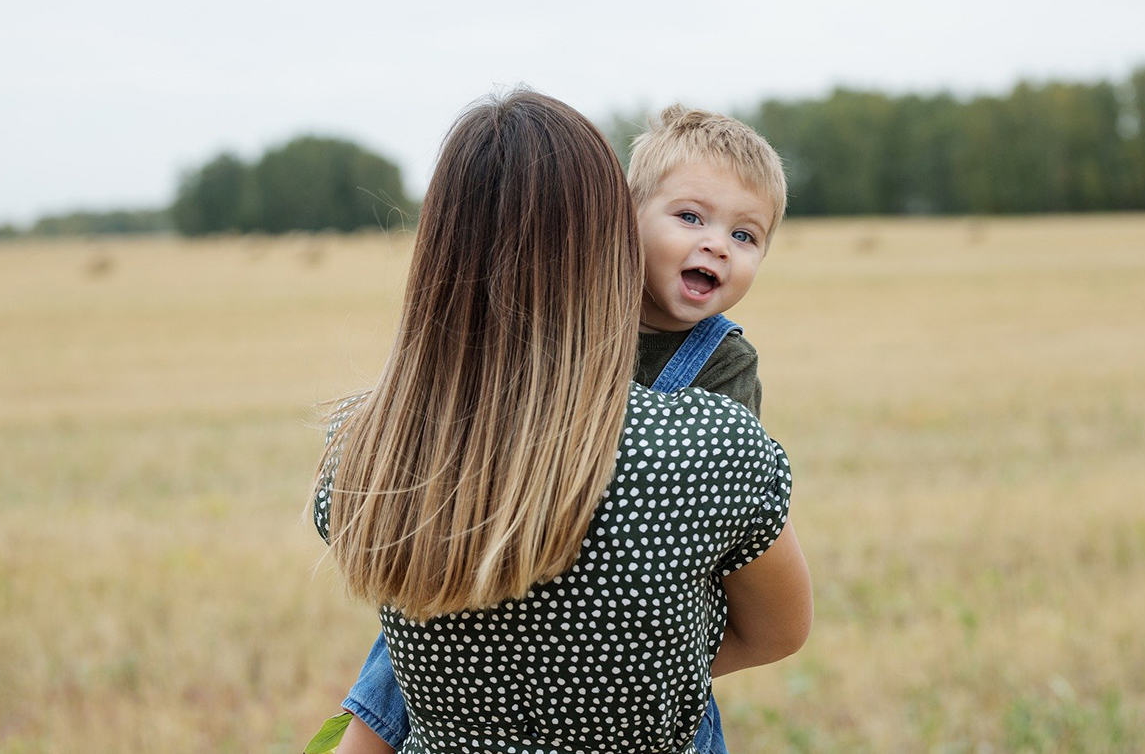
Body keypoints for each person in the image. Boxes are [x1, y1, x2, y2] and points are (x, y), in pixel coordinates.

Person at [311, 90, 811, 754]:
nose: (716, 246)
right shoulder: (708, 450)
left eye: (744, 235)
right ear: (616, 231)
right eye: (689, 217)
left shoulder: (364, 452)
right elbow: (777, 624)